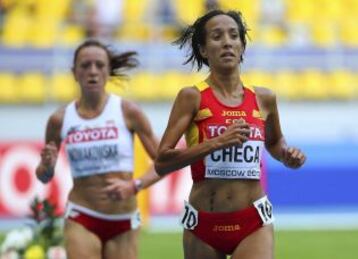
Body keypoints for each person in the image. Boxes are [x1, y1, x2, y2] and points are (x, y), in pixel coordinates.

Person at [155, 9, 306, 259]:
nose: (226, 42)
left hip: (253, 222)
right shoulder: (191, 97)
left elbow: (275, 142)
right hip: (203, 224)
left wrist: (287, 154)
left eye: (233, 35)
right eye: (216, 36)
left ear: (242, 46)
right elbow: (162, 162)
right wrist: (217, 142)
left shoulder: (264, 98)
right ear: (203, 50)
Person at [36, 39, 161, 259]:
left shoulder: (128, 111)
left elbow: (165, 161)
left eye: (99, 65)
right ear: (75, 72)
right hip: (82, 214)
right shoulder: (59, 119)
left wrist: (135, 185)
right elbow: (44, 176)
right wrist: (46, 166)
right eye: (85, 65)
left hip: (123, 219)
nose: (92, 71)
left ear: (108, 71)